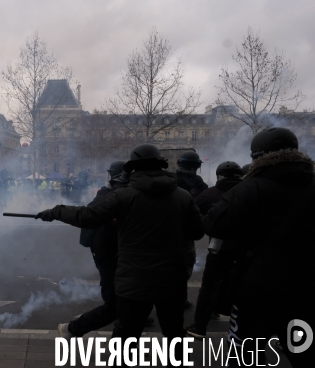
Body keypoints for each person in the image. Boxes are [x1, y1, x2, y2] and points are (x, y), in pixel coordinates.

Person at [37, 145, 203, 349]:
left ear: (133, 169)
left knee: (126, 338)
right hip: (172, 279)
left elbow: (88, 216)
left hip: (134, 280)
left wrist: (56, 211)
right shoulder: (183, 196)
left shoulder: (124, 196)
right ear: (161, 166)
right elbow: (197, 232)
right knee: (174, 335)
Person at [204, 128, 315, 366]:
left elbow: (215, 224)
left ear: (257, 156)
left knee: (246, 354)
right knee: (304, 351)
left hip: (257, 286)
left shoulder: (251, 187)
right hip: (307, 286)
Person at [58, 161, 154, 338]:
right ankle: (73, 329)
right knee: (119, 300)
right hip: (113, 251)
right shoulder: (118, 194)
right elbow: (89, 215)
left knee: (119, 299)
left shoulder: (115, 194)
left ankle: (74, 329)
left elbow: (89, 214)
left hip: (113, 251)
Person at [185, 161, 244, 338]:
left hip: (218, 247)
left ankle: (200, 326)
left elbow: (194, 216)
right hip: (245, 248)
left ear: (219, 176)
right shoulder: (248, 191)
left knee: (209, 286)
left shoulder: (209, 194)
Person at [175, 150, 208, 309]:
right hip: (186, 232)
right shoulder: (199, 183)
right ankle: (179, 298)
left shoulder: (170, 180)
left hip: (168, 229)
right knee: (185, 265)